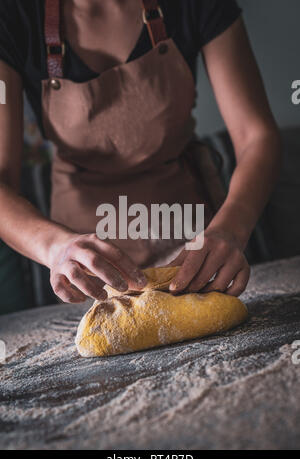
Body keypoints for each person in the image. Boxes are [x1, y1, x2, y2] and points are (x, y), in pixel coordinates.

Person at [0, 0, 281, 307]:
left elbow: (256, 136)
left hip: (194, 245)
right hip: (85, 271)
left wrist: (232, 228)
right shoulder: (13, 18)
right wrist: (55, 247)